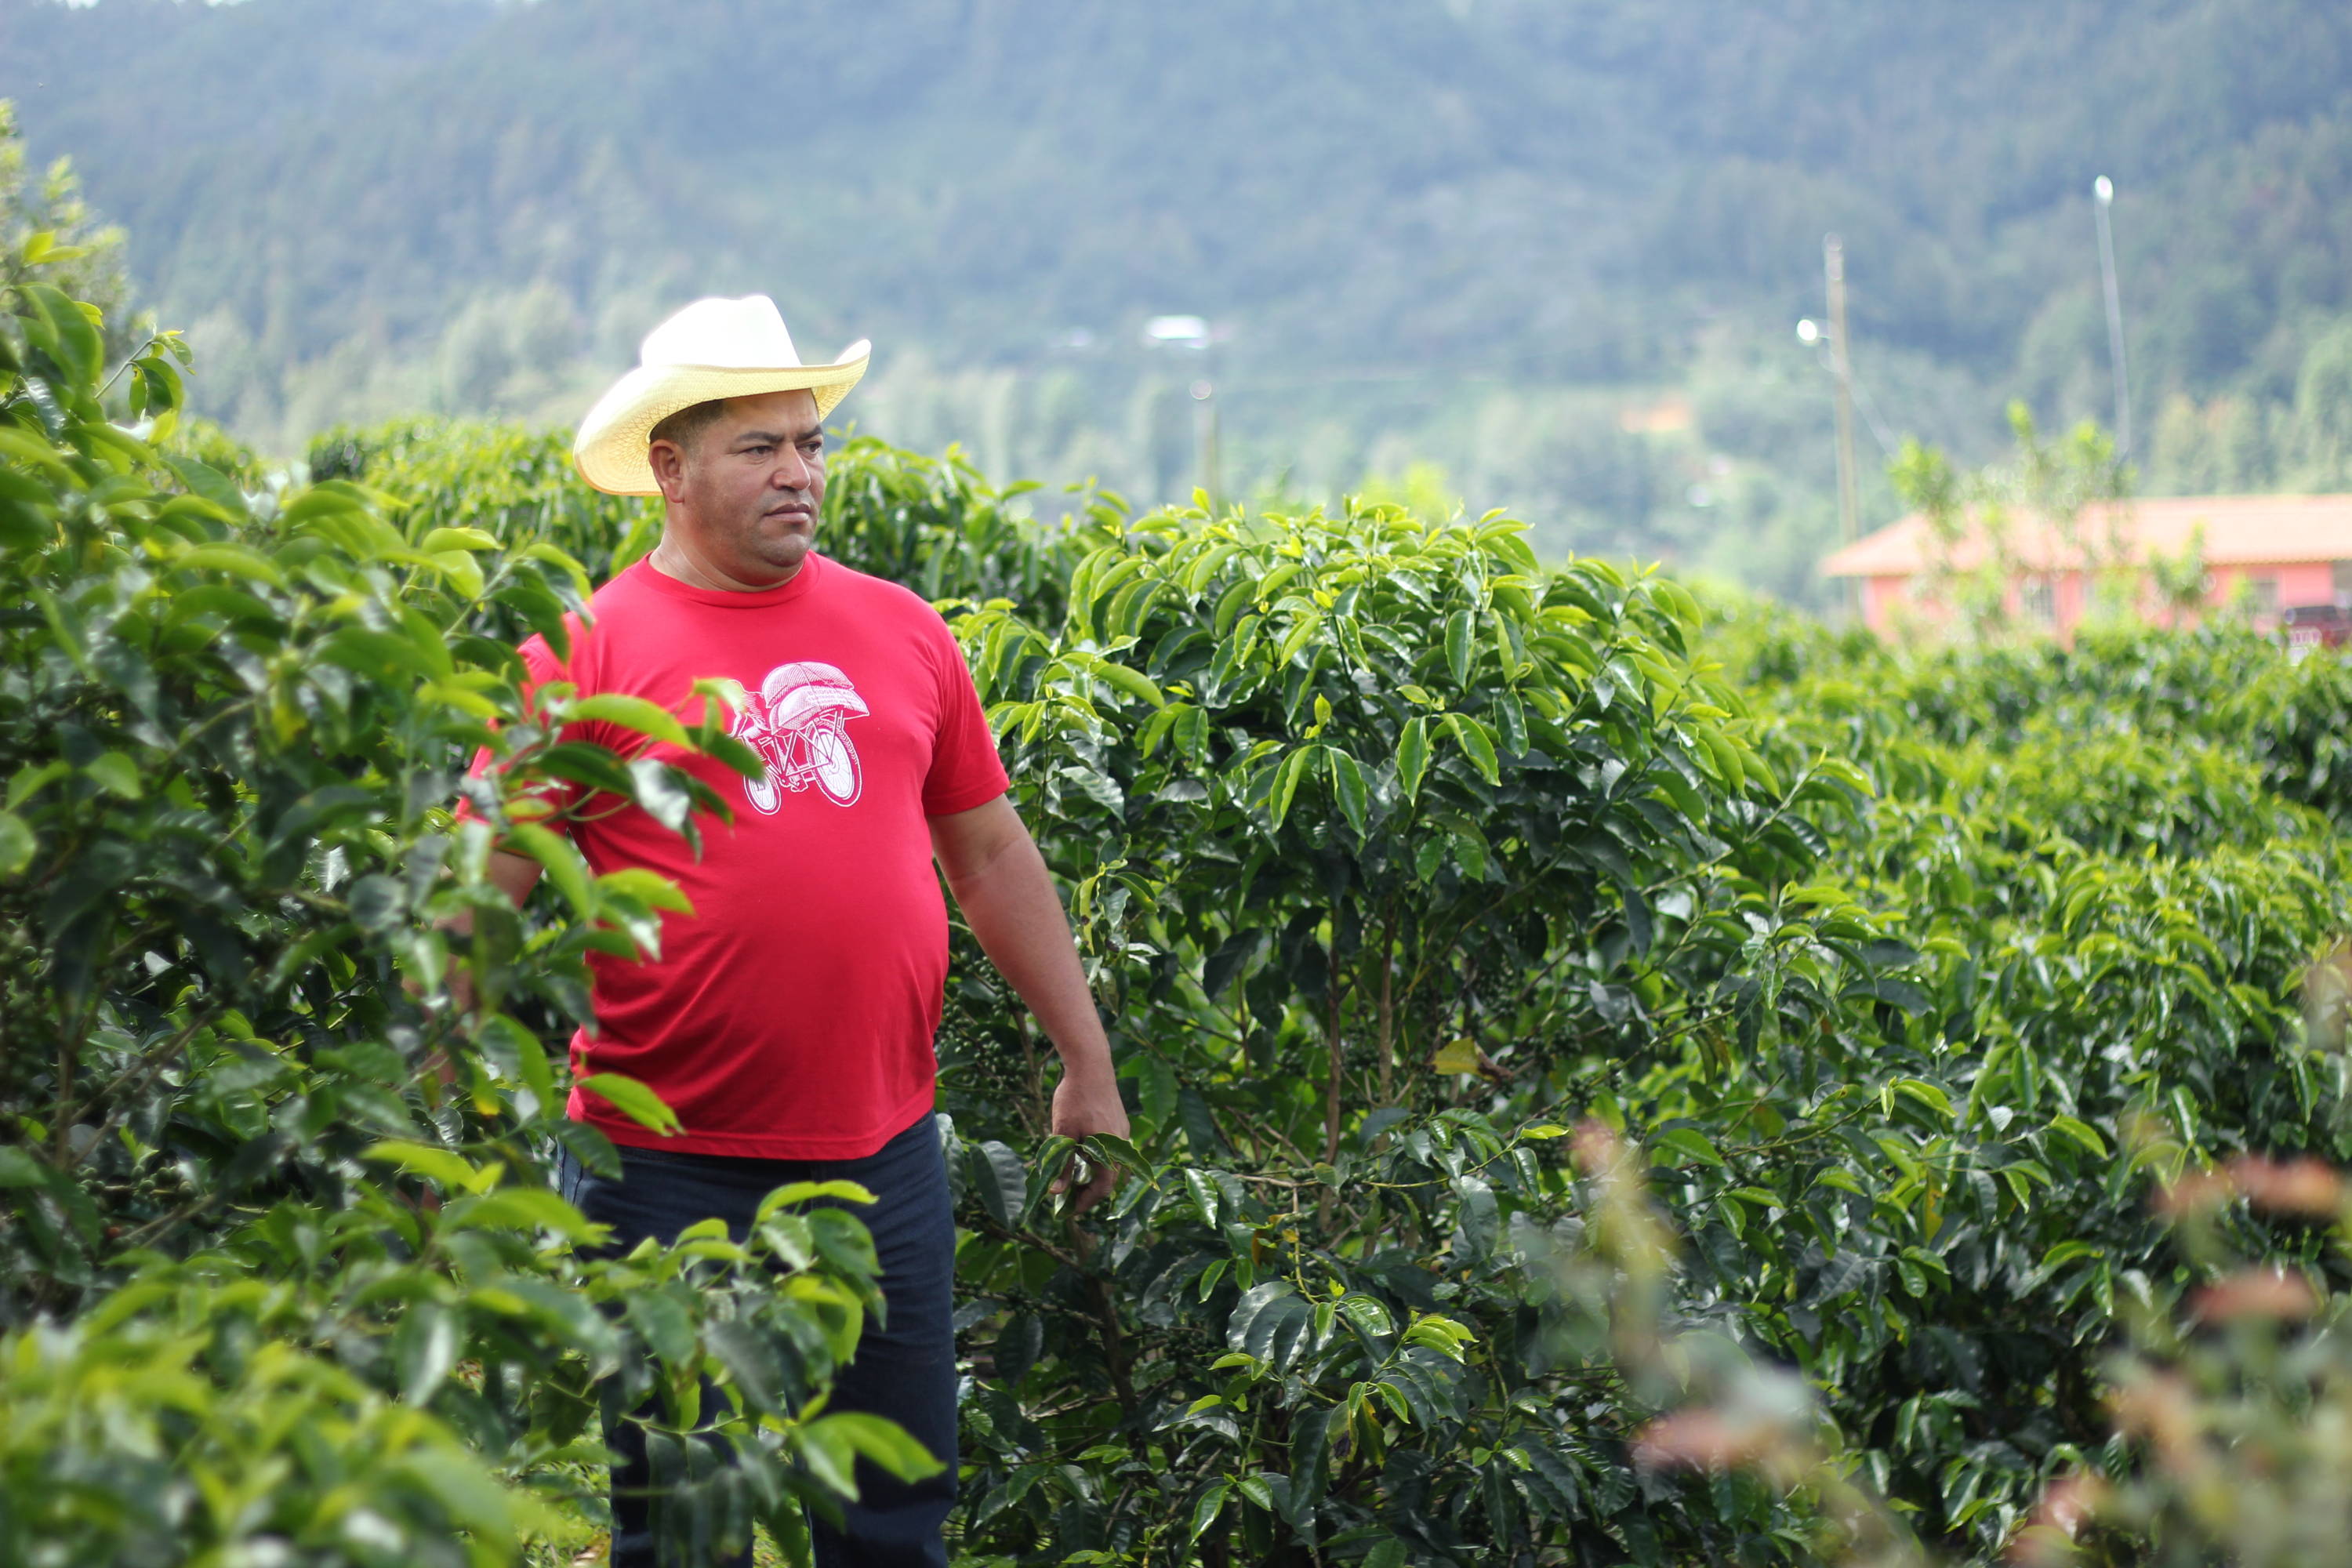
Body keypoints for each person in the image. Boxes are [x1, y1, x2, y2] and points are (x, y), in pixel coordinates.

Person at [459, 295, 1129, 1566]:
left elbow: (988, 855)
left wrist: (1085, 1063)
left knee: (892, 1524)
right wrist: (439, 1098)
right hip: (662, 1176)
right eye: (760, 447)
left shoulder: (901, 629)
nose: (799, 474)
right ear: (671, 467)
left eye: (810, 444)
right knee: (682, 1526)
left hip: (882, 1160)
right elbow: (481, 888)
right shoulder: (584, 656)